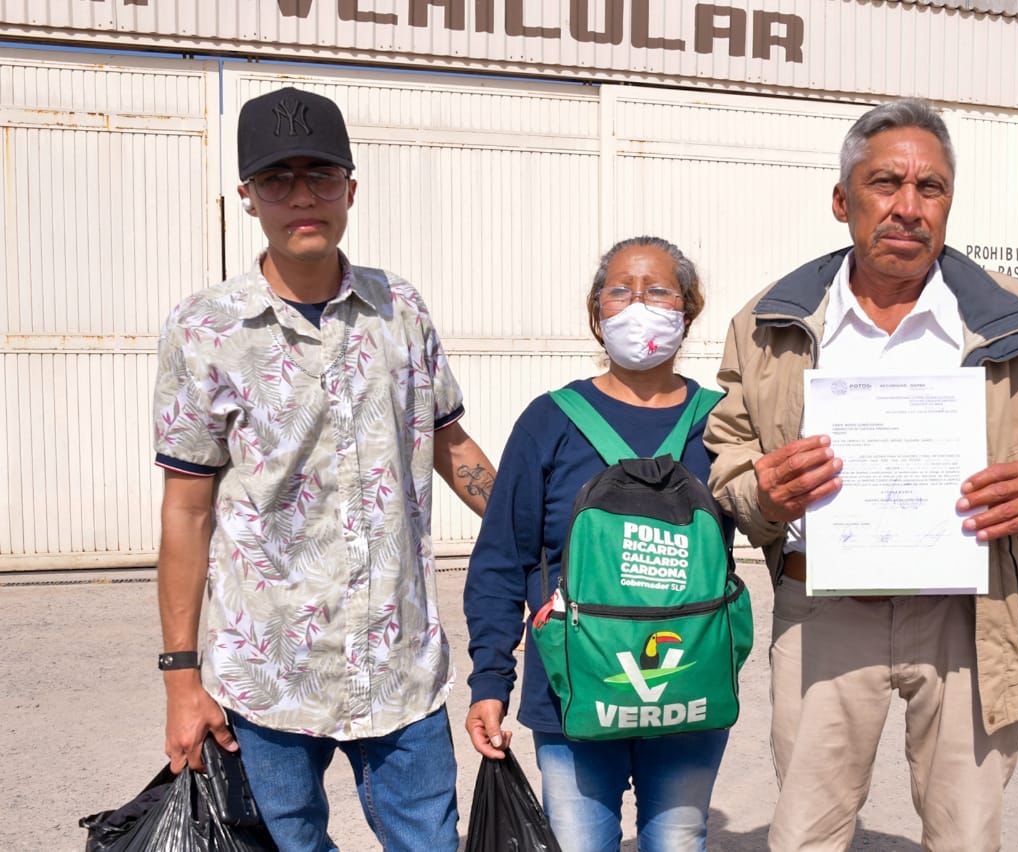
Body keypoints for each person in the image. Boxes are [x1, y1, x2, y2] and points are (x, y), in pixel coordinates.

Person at [703, 98, 1018, 851]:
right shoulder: (771, 323)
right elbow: (728, 451)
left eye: (930, 189)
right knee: (804, 835)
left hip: (970, 613)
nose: (908, 207)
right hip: (823, 605)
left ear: (949, 202)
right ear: (843, 200)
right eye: (884, 183)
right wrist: (761, 492)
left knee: (965, 835)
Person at [152, 86, 495, 852]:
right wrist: (181, 678)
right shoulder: (205, 330)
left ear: (351, 188)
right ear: (247, 196)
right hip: (270, 675)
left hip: (400, 662)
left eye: (321, 176)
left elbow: (451, 446)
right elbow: (187, 509)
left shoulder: (398, 308)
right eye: (278, 179)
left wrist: (550, 539)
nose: (302, 197)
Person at [464, 236, 731, 851]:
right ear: (596, 313)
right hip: (573, 700)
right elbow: (502, 559)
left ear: (688, 310)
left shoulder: (723, 425)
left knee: (678, 841)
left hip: (689, 697)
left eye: (659, 290)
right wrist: (490, 682)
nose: (639, 303)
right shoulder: (549, 421)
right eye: (620, 289)